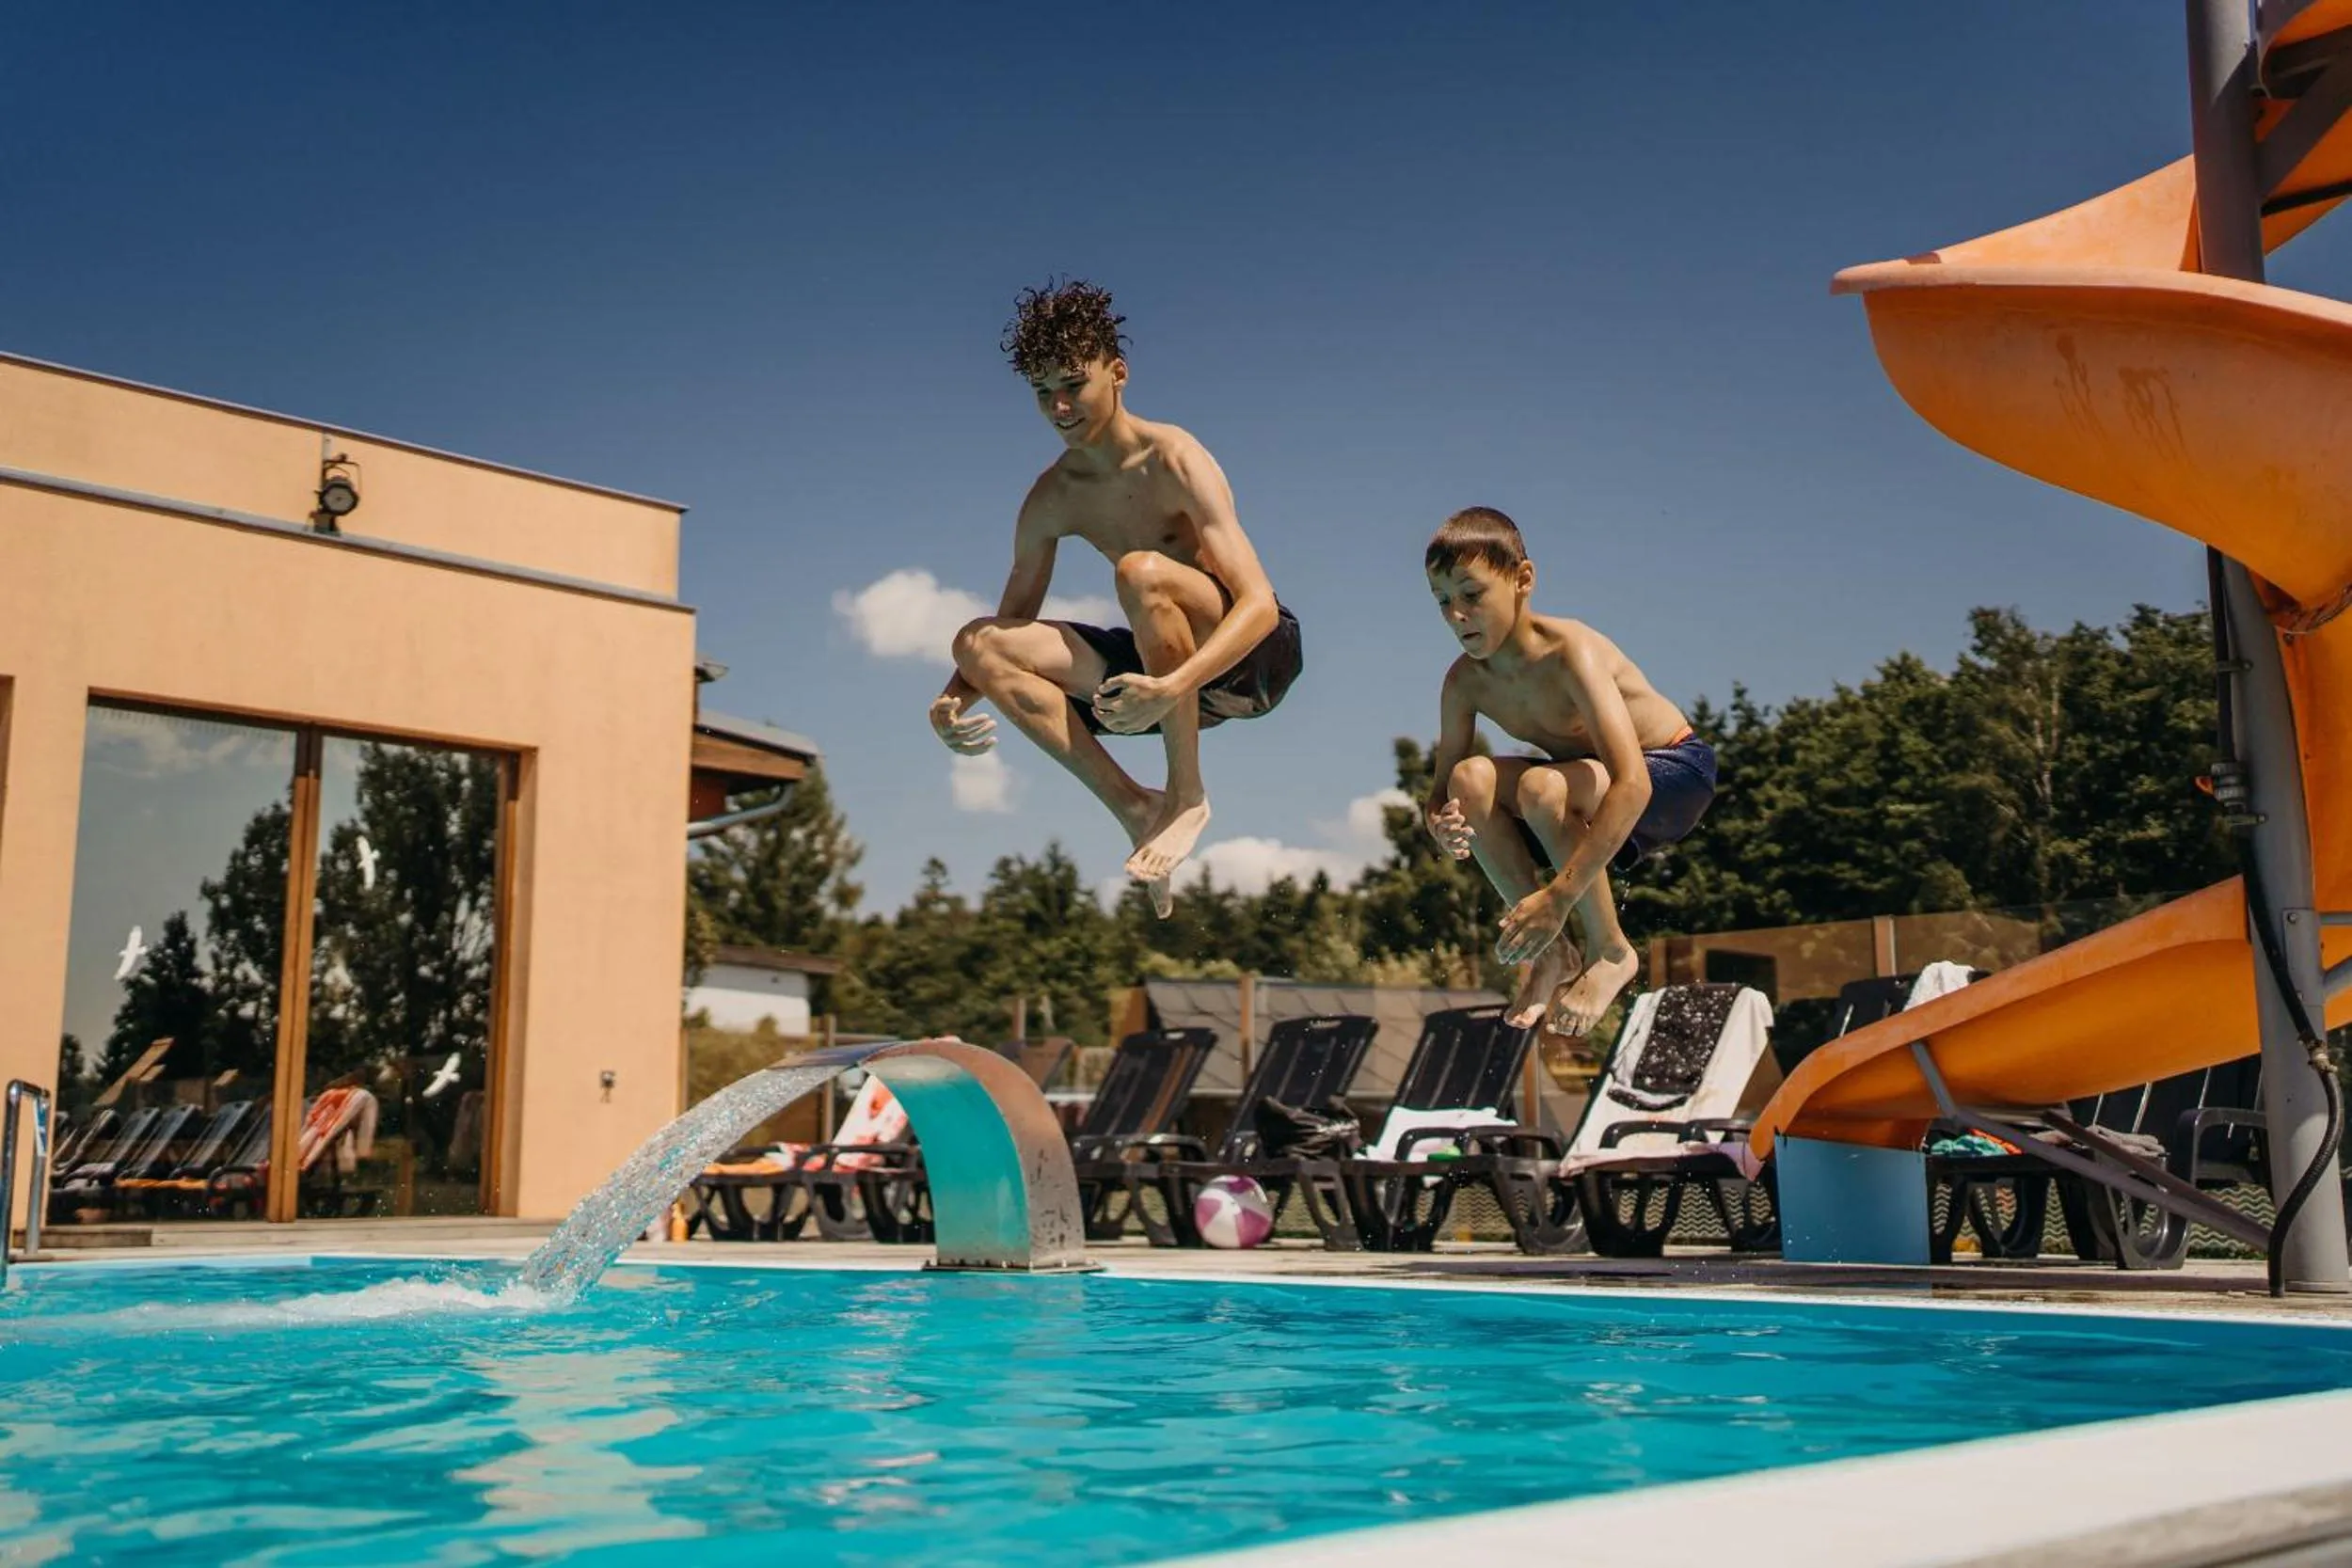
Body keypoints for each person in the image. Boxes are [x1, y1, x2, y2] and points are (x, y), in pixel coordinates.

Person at [931, 278, 1302, 915]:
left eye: (1073, 385)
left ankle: (1188, 793)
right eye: (1043, 393)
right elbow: (1012, 620)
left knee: (1141, 572)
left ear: (1117, 373)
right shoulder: (1052, 496)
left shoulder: (1175, 457)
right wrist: (952, 697)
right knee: (977, 642)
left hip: (1251, 657)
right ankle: (1137, 806)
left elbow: (1260, 604)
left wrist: (1175, 683)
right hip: (1161, 674)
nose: (1060, 408)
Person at [1421, 506, 1716, 1036]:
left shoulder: (1570, 652)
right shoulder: (1465, 683)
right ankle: (1553, 956)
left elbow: (1634, 782)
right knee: (1470, 781)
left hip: (1672, 772)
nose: (1457, 615)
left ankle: (1610, 953)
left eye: (1472, 594)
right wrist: (1440, 825)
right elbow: (1440, 794)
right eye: (1443, 602)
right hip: (1578, 783)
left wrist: (1559, 899)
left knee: (1541, 785)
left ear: (1523, 580)